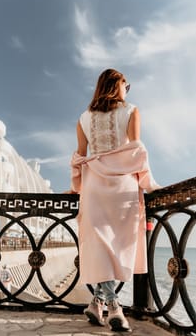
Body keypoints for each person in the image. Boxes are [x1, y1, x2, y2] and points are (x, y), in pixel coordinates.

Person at [68, 68, 160, 332]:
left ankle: (96, 304)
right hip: (122, 187)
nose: (126, 90)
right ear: (116, 85)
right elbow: (135, 150)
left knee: (100, 246)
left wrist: (76, 186)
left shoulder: (83, 118)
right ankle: (115, 307)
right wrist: (148, 182)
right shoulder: (132, 111)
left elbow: (80, 156)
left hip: (94, 186)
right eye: (125, 85)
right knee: (117, 246)